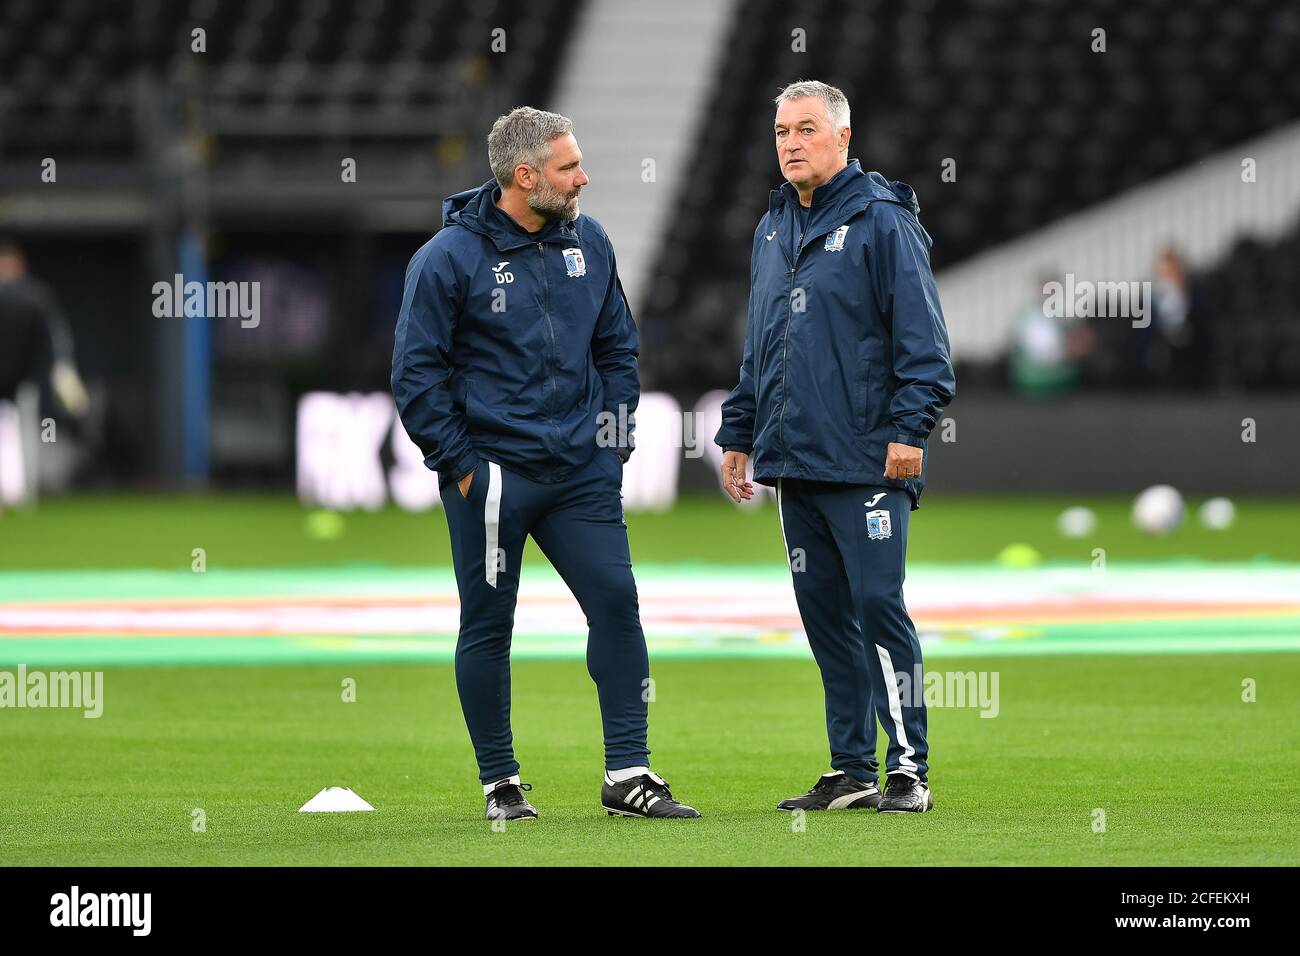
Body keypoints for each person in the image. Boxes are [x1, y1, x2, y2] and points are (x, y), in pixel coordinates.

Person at [391, 107, 699, 821]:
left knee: (617, 605)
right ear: (524, 177)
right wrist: (465, 467)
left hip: (581, 475)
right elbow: (415, 374)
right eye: (569, 168)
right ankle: (501, 783)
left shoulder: (589, 241)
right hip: (494, 478)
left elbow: (618, 347)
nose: (583, 177)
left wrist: (614, 440)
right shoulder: (446, 259)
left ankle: (629, 774)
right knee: (489, 624)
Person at [715, 80, 956, 814]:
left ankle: (908, 768)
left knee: (880, 606)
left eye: (807, 129)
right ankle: (851, 768)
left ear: (843, 139)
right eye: (782, 130)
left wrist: (909, 432)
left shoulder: (884, 221)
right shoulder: (771, 227)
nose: (790, 142)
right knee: (825, 619)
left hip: (868, 460)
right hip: (795, 461)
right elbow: (763, 344)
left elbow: (926, 345)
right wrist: (738, 431)